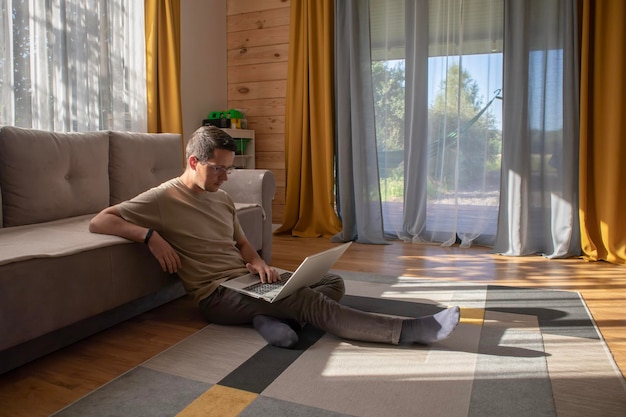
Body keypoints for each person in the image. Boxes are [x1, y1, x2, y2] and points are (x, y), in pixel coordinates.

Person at [89, 125, 460, 348]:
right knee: (304, 298)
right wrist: (150, 236)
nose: (225, 177)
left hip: (247, 280)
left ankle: (272, 320)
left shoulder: (221, 199)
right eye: (219, 169)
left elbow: (242, 245)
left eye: (229, 169)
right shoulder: (163, 197)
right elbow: (100, 221)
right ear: (192, 162)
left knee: (330, 281)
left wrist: (259, 263)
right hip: (217, 296)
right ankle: (407, 331)